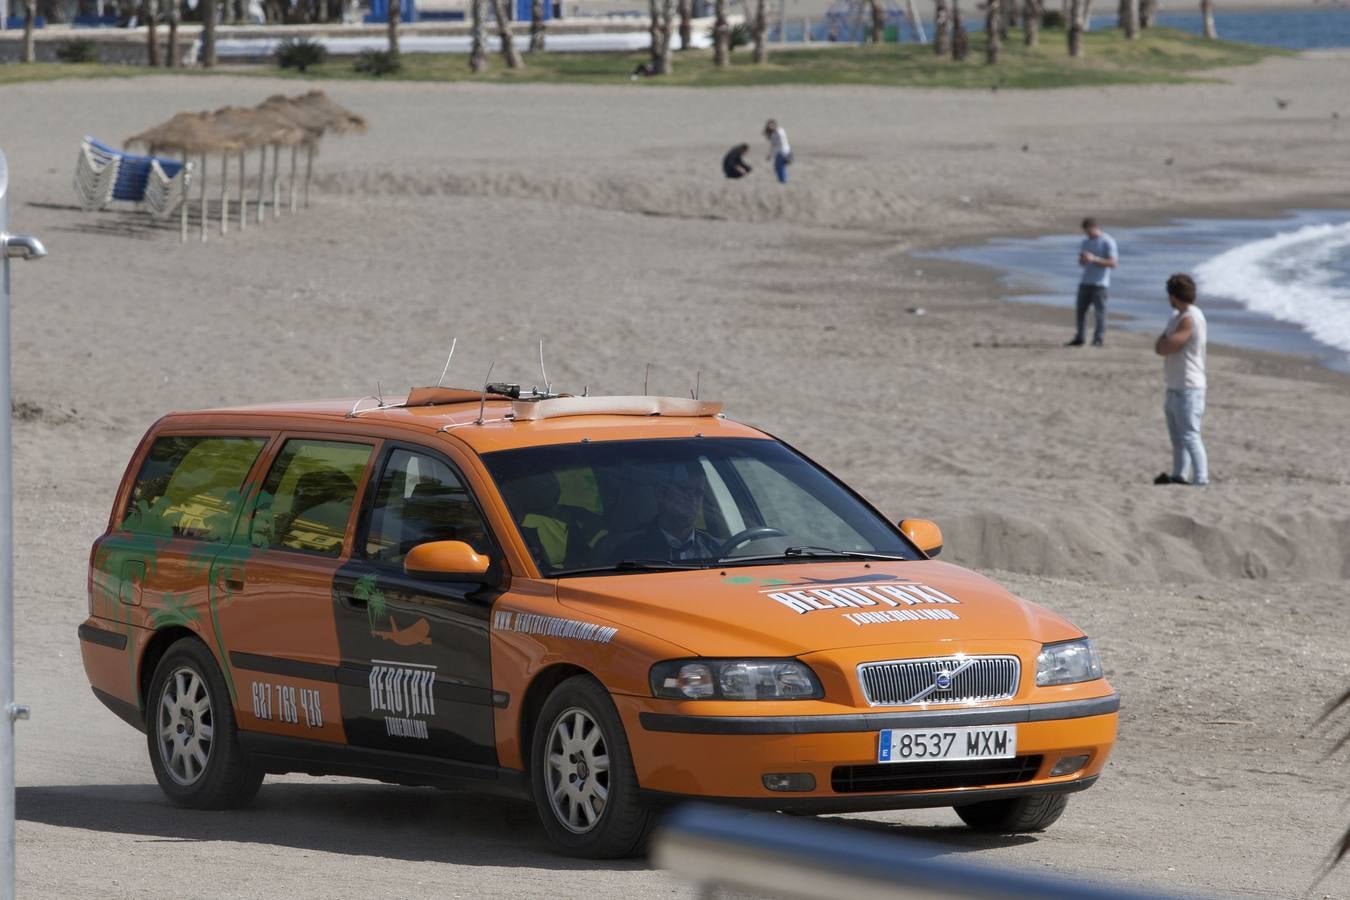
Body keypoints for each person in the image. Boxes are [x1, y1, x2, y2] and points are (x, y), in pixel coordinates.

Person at [1153, 273, 1209, 486]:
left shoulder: (1190, 317)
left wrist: (1163, 343)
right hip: (1175, 384)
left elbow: (1169, 345)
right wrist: (1162, 343)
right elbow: (1160, 346)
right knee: (1177, 438)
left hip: (1189, 386)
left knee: (1190, 435)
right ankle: (1179, 474)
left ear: (1174, 295)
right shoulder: (1176, 317)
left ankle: (1202, 478)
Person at [613, 465, 720, 562]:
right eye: (684, 489)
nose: (692, 499)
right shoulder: (629, 554)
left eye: (698, 493)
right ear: (660, 493)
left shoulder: (718, 550)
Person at [1068, 217, 1118, 347]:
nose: (1087, 234)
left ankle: (1098, 339)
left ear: (1094, 228)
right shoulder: (1085, 242)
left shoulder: (1108, 241)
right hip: (1085, 281)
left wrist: (1094, 259)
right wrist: (1083, 260)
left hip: (1100, 284)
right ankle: (1080, 337)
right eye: (1086, 232)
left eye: (1088, 231)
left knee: (1100, 313)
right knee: (1080, 311)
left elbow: (1113, 263)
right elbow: (1082, 263)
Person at [763, 119, 791, 184]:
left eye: (772, 125)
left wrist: (770, 155)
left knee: (780, 167)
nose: (771, 126)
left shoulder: (779, 132)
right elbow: (774, 146)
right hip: (782, 152)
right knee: (778, 167)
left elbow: (777, 145)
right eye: (769, 125)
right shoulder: (776, 132)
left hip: (783, 152)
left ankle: (783, 180)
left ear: (775, 124)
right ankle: (782, 180)